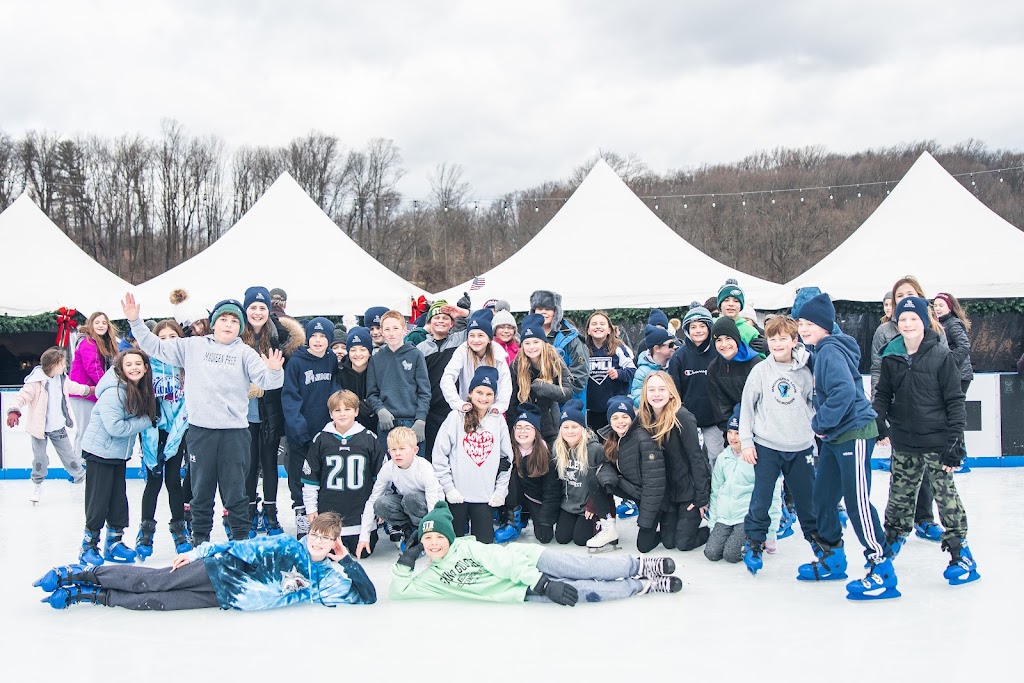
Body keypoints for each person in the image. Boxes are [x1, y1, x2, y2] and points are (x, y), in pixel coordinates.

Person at [123, 293, 285, 546]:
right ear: (214, 322)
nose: (228, 324)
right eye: (224, 319)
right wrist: (135, 321)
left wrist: (275, 371)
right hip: (201, 432)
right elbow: (154, 346)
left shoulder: (245, 352)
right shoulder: (193, 346)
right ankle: (200, 540)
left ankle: (240, 541)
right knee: (201, 491)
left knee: (236, 492)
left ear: (239, 327)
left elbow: (267, 382)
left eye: (234, 320)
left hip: (235, 434)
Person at [36, 512, 377, 610]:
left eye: (325, 540)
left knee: (156, 602)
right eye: (315, 535)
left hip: (223, 599)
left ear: (334, 543)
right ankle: (77, 574)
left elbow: (368, 596)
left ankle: (84, 595)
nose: (317, 542)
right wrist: (195, 552)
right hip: (217, 571)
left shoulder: (327, 578)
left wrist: (346, 560)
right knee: (152, 582)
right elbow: (241, 547)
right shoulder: (287, 545)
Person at [796, 292, 898, 600]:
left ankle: (881, 567)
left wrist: (819, 423)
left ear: (826, 326)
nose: (803, 328)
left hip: (853, 432)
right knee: (823, 497)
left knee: (856, 502)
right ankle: (833, 557)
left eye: (810, 322)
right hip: (836, 435)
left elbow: (842, 392)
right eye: (800, 322)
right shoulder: (821, 350)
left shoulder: (830, 352)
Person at [873, 296, 979, 587]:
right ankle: (891, 544)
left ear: (924, 321)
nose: (908, 324)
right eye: (903, 319)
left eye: (913, 319)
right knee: (899, 499)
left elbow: (955, 401)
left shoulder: (941, 355)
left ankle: (961, 552)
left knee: (946, 499)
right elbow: (882, 393)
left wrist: (955, 441)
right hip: (904, 441)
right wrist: (878, 419)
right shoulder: (891, 355)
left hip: (936, 442)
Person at [390, 501, 681, 604]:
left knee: (584, 569)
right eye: (428, 540)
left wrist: (542, 582)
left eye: (440, 536)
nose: (435, 544)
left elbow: (504, 562)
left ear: (450, 537)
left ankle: (639, 564)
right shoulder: (431, 578)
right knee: (582, 594)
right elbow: (400, 591)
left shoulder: (467, 546)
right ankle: (643, 585)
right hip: (521, 590)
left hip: (529, 562)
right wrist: (407, 559)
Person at [870, 275, 949, 538]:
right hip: (898, 407)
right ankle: (896, 523)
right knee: (902, 468)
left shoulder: (935, 329)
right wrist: (878, 412)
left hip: (929, 411)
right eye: (900, 296)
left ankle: (924, 518)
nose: (905, 300)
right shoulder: (884, 331)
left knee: (928, 468)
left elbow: (946, 369)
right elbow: (878, 369)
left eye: (910, 294)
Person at [737, 316, 817, 574]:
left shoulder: (806, 370)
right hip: (767, 446)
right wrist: (747, 442)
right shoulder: (760, 370)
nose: (778, 343)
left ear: (795, 341)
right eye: (773, 339)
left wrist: (816, 438)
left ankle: (820, 545)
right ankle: (754, 542)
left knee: (807, 500)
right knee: (761, 498)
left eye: (783, 338)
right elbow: (747, 408)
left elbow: (814, 405)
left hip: (800, 446)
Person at [77, 349, 159, 565]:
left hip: (117, 454)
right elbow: (115, 427)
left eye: (138, 364)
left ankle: (114, 543)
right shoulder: (114, 392)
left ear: (146, 368)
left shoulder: (137, 389)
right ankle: (88, 546)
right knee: (98, 500)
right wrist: (149, 420)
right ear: (121, 369)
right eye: (129, 364)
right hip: (100, 453)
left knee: (117, 500)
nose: (134, 367)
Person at [241, 286, 301, 538]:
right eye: (253, 307)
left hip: (269, 411)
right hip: (242, 414)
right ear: (245, 310)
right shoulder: (236, 336)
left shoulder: (279, 336)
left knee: (268, 464)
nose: (257, 312)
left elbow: (285, 373)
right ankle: (249, 512)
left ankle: (270, 511)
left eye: (262, 307)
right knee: (248, 465)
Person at [432, 366, 513, 543]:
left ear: (494, 397)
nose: (483, 398)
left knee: (484, 545)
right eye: (479, 392)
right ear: (470, 393)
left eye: (489, 394)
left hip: (484, 496)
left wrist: (500, 491)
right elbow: (439, 455)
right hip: (457, 496)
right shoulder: (456, 417)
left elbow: (507, 459)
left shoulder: (497, 420)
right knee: (454, 543)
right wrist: (449, 488)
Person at [302, 390, 386, 556]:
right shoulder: (321, 440)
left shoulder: (369, 439)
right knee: (328, 556)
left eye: (347, 409)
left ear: (356, 411)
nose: (342, 414)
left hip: (360, 518)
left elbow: (381, 480)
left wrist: (380, 507)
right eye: (337, 410)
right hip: (330, 517)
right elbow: (311, 481)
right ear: (330, 414)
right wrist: (311, 509)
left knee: (363, 554)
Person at [636, 371, 710, 552]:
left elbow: (697, 457)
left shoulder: (681, 416)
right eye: (651, 390)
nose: (656, 394)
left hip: (689, 491)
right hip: (668, 493)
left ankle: (710, 530)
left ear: (671, 392)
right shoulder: (645, 419)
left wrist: (701, 498)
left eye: (662, 389)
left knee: (683, 544)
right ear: (645, 393)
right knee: (668, 542)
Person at [136, 320, 192, 560]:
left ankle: (179, 528)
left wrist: (175, 437)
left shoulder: (185, 366)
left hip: (177, 431)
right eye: (163, 337)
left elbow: (188, 404)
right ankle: (145, 530)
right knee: (153, 480)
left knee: (173, 480)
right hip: (151, 430)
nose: (168, 341)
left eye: (173, 336)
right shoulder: (147, 367)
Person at [6, 347, 90, 503]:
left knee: (70, 457)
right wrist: (14, 411)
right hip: (39, 429)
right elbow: (21, 397)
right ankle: (37, 486)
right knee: (40, 459)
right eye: (62, 363)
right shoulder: (34, 383)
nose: (65, 366)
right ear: (53, 365)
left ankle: (83, 482)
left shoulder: (62, 379)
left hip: (58, 427)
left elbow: (75, 388)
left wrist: (90, 390)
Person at [282, 316, 340, 538]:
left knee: (321, 474)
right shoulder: (297, 362)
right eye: (313, 336)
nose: (317, 340)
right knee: (298, 474)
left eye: (323, 336)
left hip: (324, 431)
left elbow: (334, 390)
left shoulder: (331, 360)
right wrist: (297, 427)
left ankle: (321, 518)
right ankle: (301, 513)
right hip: (301, 431)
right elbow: (290, 396)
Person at [707, 406, 782, 565]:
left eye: (738, 433)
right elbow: (716, 491)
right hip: (725, 516)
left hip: (746, 517)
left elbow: (773, 497)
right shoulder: (723, 458)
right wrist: (713, 522)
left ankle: (755, 539)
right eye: (730, 432)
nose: (733, 438)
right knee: (712, 553)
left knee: (731, 555)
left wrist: (771, 532)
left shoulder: (761, 458)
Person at [593, 397, 666, 553]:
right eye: (615, 417)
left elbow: (654, 485)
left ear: (632, 419)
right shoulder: (612, 437)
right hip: (633, 489)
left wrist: (644, 520)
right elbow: (607, 463)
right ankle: (608, 526)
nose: (620, 421)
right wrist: (608, 478)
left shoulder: (643, 438)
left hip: (652, 497)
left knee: (644, 546)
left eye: (625, 416)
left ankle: (666, 529)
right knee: (597, 478)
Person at [357, 426, 444, 556]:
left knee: (411, 498)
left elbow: (433, 501)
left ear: (415, 450)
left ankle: (421, 533)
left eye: (402, 449)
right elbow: (372, 500)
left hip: (430, 506)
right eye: (393, 449)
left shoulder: (424, 467)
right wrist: (364, 537)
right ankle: (408, 530)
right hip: (406, 502)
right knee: (381, 504)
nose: (397, 453)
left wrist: (432, 535)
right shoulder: (388, 468)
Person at [495, 403, 560, 544]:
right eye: (519, 427)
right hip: (515, 497)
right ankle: (513, 519)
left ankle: (528, 516)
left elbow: (552, 491)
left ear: (535, 431)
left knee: (544, 537)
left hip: (536, 499)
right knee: (508, 472)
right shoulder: (508, 450)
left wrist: (545, 520)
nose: (522, 432)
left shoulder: (545, 454)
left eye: (527, 428)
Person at [507, 314, 577, 444]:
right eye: (527, 343)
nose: (531, 347)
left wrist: (545, 388)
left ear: (543, 342)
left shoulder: (554, 360)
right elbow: (512, 400)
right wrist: (512, 428)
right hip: (525, 424)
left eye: (535, 342)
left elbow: (567, 393)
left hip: (549, 424)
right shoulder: (517, 365)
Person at [366, 310, 430, 448]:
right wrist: (380, 410)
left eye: (396, 328)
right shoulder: (376, 359)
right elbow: (372, 393)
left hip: (412, 423)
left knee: (413, 466)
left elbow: (424, 392)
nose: (391, 333)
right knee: (388, 466)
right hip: (387, 422)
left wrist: (421, 420)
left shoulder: (416, 355)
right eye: (387, 329)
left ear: (404, 330)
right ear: (382, 332)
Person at [668, 303, 723, 460]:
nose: (698, 330)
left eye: (702, 326)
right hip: (688, 421)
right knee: (693, 458)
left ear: (709, 328)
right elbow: (674, 392)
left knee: (715, 457)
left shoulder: (718, 353)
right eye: (693, 327)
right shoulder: (679, 357)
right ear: (687, 330)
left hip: (714, 420)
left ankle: (716, 484)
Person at [416, 300, 470, 461]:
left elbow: (483, 322)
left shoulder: (459, 341)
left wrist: (463, 313)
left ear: (452, 323)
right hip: (431, 409)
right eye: (436, 317)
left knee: (456, 452)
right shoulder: (420, 349)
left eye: (445, 318)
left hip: (455, 407)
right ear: (429, 323)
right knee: (432, 453)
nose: (440, 321)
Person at [706, 316, 762, 458]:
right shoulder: (714, 368)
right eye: (719, 340)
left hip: (759, 429)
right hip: (733, 431)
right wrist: (732, 432)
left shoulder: (755, 363)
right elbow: (720, 405)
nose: (724, 344)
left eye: (728, 338)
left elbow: (763, 401)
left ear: (737, 339)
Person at [551, 399, 605, 547]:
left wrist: (593, 505)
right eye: (565, 427)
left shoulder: (595, 449)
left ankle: (601, 523)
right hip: (568, 504)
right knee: (562, 538)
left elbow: (603, 480)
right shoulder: (558, 449)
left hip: (587, 504)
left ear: (583, 429)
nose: (570, 431)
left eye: (574, 426)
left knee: (581, 540)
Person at [440, 308, 513, 416]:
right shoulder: (462, 351)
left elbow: (505, 384)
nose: (476, 340)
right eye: (472, 336)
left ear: (489, 339)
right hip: (466, 409)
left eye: (480, 335)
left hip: (491, 411)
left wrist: (499, 406)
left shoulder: (498, 354)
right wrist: (457, 403)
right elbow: (447, 378)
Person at [68, 311, 119, 460]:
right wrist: (107, 386)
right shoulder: (88, 342)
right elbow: (93, 367)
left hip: (92, 392)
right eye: (97, 322)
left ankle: (81, 461)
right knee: (85, 429)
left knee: (89, 428)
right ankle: (78, 464)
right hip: (83, 392)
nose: (101, 325)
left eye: (103, 322)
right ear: (91, 325)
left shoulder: (102, 342)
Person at [529, 289, 590, 410]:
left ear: (556, 312)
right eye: (540, 309)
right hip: (538, 407)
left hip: (567, 406)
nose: (543, 313)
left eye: (548, 309)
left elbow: (580, 375)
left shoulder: (571, 338)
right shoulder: (528, 338)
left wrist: (554, 391)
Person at [584, 311, 635, 431]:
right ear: (588, 330)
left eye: (602, 323)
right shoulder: (583, 348)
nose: (598, 326)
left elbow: (633, 371)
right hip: (591, 408)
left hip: (615, 407)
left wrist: (619, 373)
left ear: (609, 330)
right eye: (594, 324)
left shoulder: (618, 348)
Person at [337, 327, 378, 433]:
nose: (358, 354)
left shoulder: (377, 371)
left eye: (363, 349)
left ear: (369, 352)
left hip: (374, 427)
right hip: (348, 430)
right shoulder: (340, 373)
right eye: (353, 350)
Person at [933, 292, 974, 395]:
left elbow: (964, 346)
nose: (937, 308)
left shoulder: (953, 324)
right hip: (950, 374)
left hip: (959, 375)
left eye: (941, 305)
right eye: (935, 305)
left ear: (950, 308)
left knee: (954, 407)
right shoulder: (939, 323)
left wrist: (949, 362)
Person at [629, 325, 677, 407]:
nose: (675, 347)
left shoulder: (675, 365)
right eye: (671, 344)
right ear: (657, 348)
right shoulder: (642, 371)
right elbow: (636, 397)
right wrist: (656, 401)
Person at [716, 279, 767, 356]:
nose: (731, 304)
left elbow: (760, 361)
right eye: (726, 300)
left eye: (736, 301)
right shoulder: (711, 326)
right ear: (720, 304)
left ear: (741, 306)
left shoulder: (750, 331)